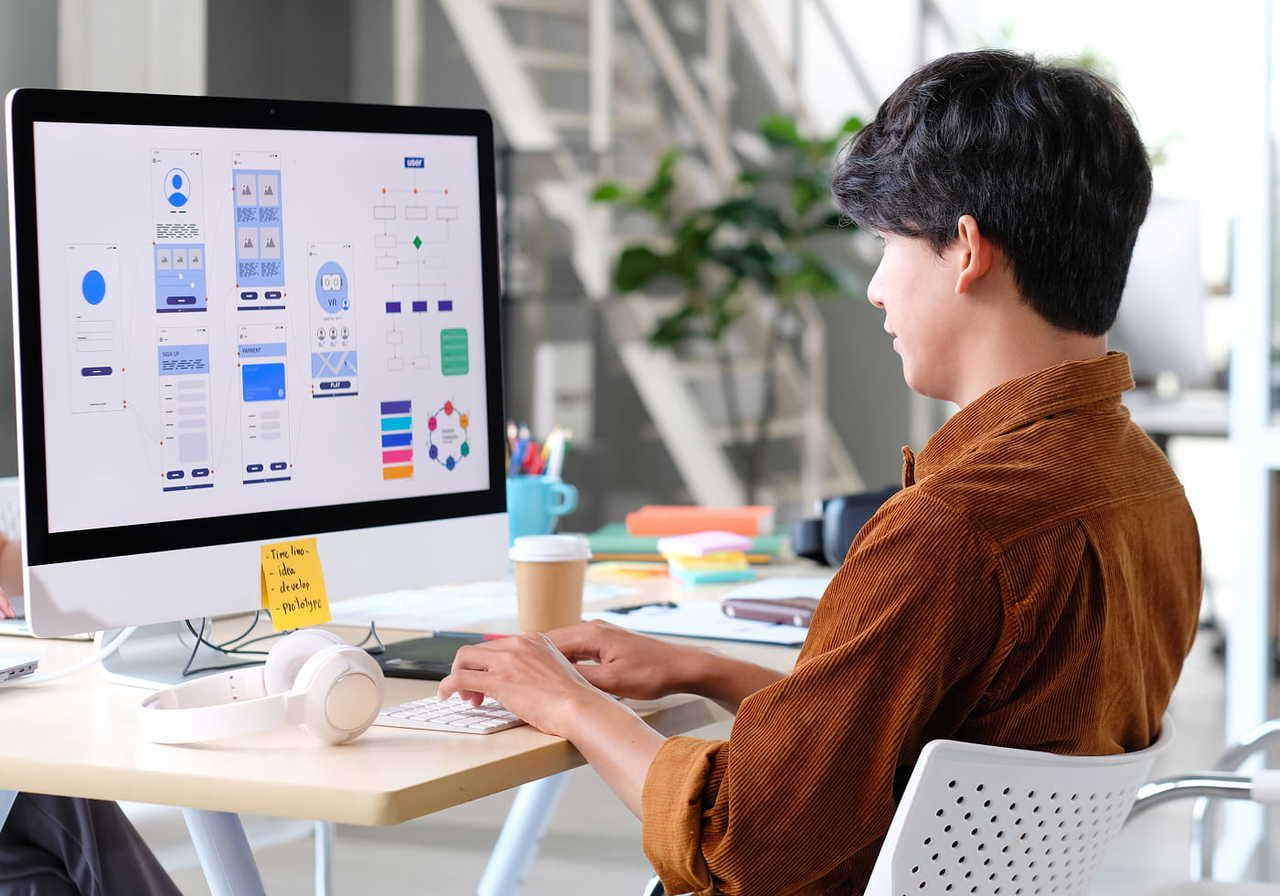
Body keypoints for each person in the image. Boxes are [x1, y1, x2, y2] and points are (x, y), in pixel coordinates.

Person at [438, 49, 1201, 895]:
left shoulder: (952, 529)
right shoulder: (1147, 487)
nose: (877, 289)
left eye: (888, 245)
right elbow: (926, 761)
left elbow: (739, 839)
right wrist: (704, 668)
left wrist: (570, 704)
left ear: (966, 251)